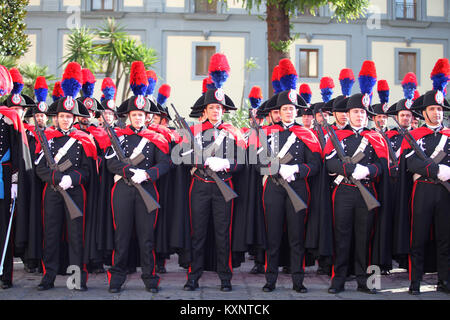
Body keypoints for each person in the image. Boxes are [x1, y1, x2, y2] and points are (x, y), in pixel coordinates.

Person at [181, 53, 246, 292]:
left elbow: (243, 161)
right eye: (211, 108)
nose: (216, 111)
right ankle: (193, 277)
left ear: (223, 110)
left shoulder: (233, 132)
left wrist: (226, 165)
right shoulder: (194, 131)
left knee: (222, 234)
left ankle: (225, 279)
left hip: (224, 186)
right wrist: (200, 159)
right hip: (199, 185)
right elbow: (181, 157)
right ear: (205, 110)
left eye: (219, 108)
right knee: (197, 234)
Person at [104, 61, 171, 294]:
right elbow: (110, 161)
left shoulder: (156, 138)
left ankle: (150, 279)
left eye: (142, 115)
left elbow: (166, 163)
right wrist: (127, 171)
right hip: (122, 190)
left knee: (146, 238)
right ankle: (116, 279)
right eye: (134, 115)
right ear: (128, 116)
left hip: (147, 190)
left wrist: (148, 174)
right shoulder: (118, 136)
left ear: (147, 116)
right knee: (121, 237)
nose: (138, 118)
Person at [324, 61, 389, 294]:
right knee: (341, 236)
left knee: (365, 239)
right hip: (343, 191)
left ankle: (366, 281)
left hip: (368, 191)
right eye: (355, 112)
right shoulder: (337, 136)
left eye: (363, 112)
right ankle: (338, 280)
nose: (360, 116)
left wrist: (369, 171)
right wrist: (347, 170)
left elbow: (383, 165)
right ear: (348, 114)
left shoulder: (376, 137)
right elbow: (329, 161)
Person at [34, 62, 98, 291]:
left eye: (69, 117)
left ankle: (76, 279)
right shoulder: (46, 137)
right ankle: (48, 277)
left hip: (75, 192)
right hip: (51, 193)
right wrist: (54, 178)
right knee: (50, 235)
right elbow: (38, 167)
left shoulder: (83, 139)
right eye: (61, 116)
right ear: (56, 117)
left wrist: (73, 178)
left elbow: (88, 170)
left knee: (75, 237)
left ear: (74, 118)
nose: (65, 120)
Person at [257, 88, 322, 293]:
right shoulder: (268, 133)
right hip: (274, 189)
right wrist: (276, 169)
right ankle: (270, 280)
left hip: (298, 187)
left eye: (292, 109)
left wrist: (296, 169)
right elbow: (258, 162)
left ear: (297, 112)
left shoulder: (306, 134)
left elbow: (315, 165)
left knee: (296, 237)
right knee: (273, 236)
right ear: (279, 111)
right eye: (285, 109)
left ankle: (298, 280)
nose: (288, 112)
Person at [401, 65, 450, 295]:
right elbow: (411, 163)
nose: (437, 113)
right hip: (422, 189)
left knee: (445, 238)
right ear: (425, 112)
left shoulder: (448, 135)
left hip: (445, 191)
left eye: (440, 109)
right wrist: (437, 170)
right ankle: (414, 282)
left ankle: (444, 280)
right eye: (433, 108)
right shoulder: (414, 135)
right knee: (417, 237)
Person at [0, 66, 33, 289]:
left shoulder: (10, 118)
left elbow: (19, 153)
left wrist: (14, 182)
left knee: (4, 228)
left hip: (3, 177)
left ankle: (5, 275)